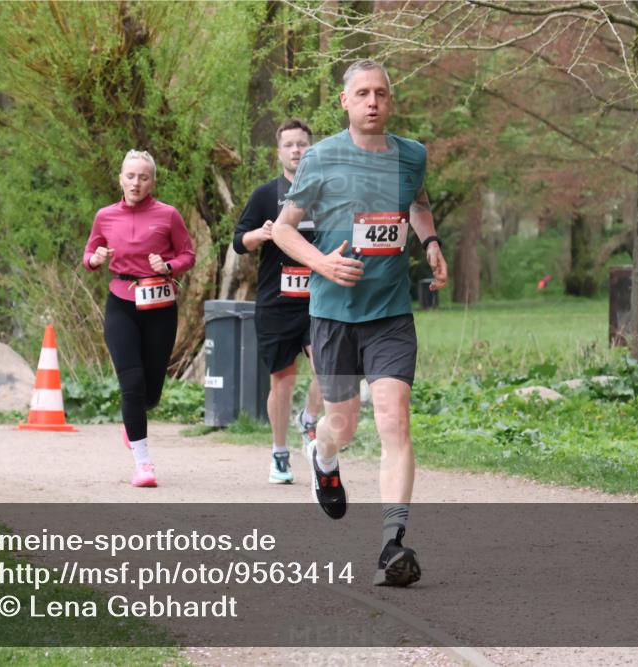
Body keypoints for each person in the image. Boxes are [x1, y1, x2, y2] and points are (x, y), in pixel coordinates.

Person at [272, 60, 448, 587]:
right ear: (345, 102)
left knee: (395, 419)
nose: (373, 102)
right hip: (334, 315)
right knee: (343, 426)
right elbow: (283, 230)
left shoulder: (412, 155)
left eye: (381, 94)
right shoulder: (321, 157)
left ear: (390, 101)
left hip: (390, 313)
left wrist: (431, 241)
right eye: (363, 93)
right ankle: (322, 455)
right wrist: (322, 264)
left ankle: (393, 545)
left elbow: (417, 202)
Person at [83, 150, 196, 488]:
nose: (136, 183)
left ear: (152, 182)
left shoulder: (168, 215)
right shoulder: (105, 216)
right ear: (121, 179)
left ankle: (132, 421)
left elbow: (188, 255)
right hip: (121, 302)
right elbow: (89, 254)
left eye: (143, 177)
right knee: (131, 384)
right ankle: (143, 464)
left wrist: (169, 266)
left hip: (160, 304)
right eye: (130, 176)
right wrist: (95, 259)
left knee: (150, 393)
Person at [232, 119, 325, 485]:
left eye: (302, 144)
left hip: (319, 299)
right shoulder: (265, 195)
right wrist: (261, 233)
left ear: (311, 150)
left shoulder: (326, 193)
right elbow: (239, 242)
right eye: (289, 145)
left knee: (329, 369)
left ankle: (309, 418)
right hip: (277, 301)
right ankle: (279, 452)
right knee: (282, 382)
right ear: (279, 152)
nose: (296, 150)